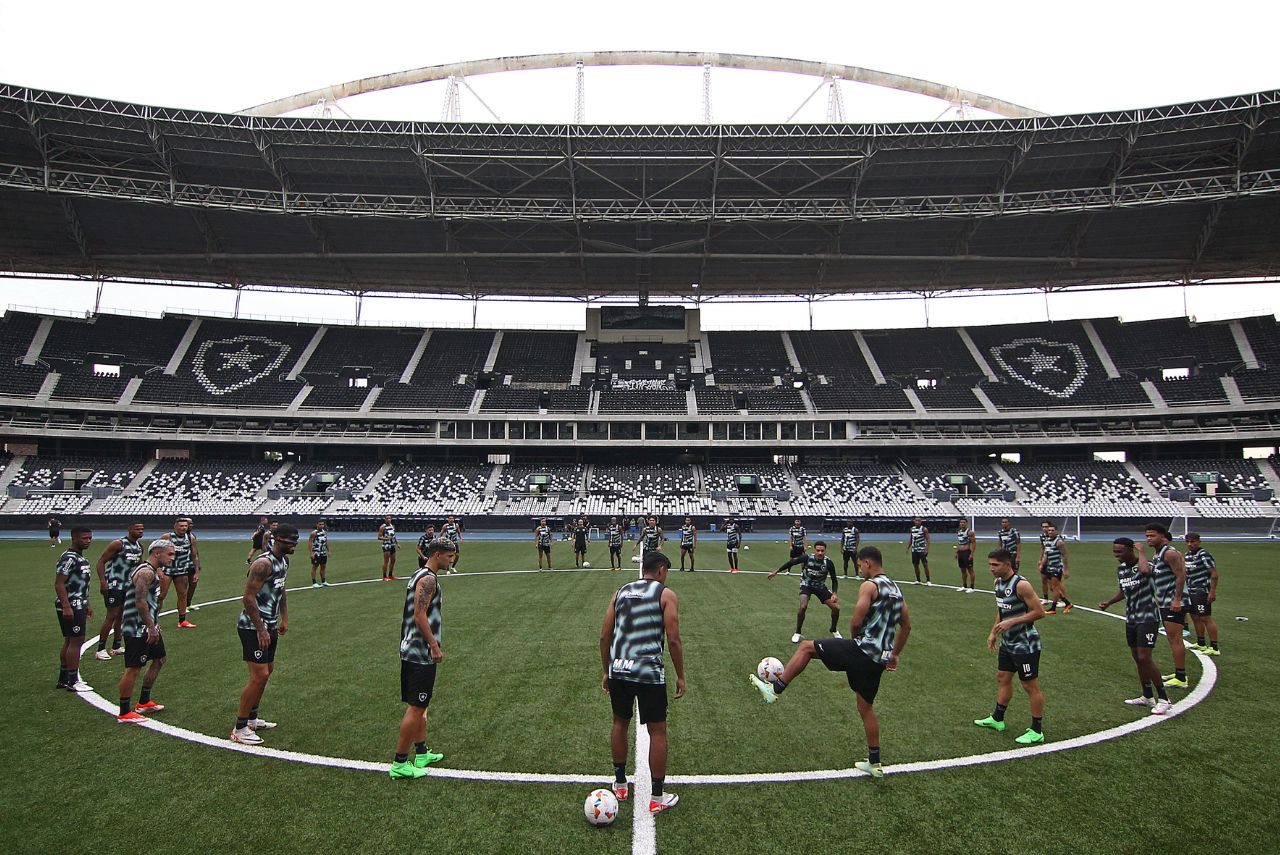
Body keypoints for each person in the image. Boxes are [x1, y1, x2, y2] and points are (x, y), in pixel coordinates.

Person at [750, 545, 911, 780]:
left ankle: (774, 690)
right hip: (879, 660)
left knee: (806, 647)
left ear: (868, 563)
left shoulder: (870, 586)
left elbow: (855, 621)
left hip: (863, 651)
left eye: (860, 565)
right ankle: (874, 762)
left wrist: (855, 639)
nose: (860, 570)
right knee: (865, 708)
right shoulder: (897, 590)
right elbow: (906, 626)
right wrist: (894, 655)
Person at [600, 551, 685, 814]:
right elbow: (673, 639)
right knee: (657, 732)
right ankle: (657, 797)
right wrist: (681, 675)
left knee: (619, 723)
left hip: (619, 670)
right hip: (648, 673)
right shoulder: (665, 594)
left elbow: (604, 636)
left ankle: (620, 784)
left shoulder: (620, 592)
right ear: (661, 570)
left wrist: (607, 670)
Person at [390, 538, 456, 780]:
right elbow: (420, 615)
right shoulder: (428, 579)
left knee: (421, 704)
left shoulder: (420, 574)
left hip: (412, 648)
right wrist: (434, 646)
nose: (452, 560)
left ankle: (421, 752)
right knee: (416, 706)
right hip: (419, 652)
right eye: (449, 556)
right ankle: (399, 763)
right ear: (437, 555)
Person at [230, 524, 298, 745]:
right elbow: (248, 598)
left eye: (296, 540)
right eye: (290, 541)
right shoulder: (263, 564)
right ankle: (239, 728)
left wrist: (284, 618)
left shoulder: (283, 561)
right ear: (277, 539)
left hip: (269, 625)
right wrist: (260, 629)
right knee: (259, 675)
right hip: (252, 627)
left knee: (268, 671)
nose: (294, 544)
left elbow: (281, 590)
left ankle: (252, 718)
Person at [973, 548, 1046, 744]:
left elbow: (1039, 612)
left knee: (1030, 685)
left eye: (995, 565)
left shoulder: (1021, 585)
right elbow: (1002, 610)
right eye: (990, 565)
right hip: (1008, 642)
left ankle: (1037, 730)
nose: (991, 568)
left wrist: (1013, 621)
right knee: (1002, 677)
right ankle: (997, 718)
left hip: (1025, 644)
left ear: (1007, 564)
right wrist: (993, 632)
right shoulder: (997, 583)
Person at [1098, 537, 1172, 715]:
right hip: (1131, 618)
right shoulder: (1122, 569)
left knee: (1145, 657)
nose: (1116, 555)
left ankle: (1164, 699)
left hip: (1148, 618)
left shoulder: (1144, 565)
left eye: (1120, 551)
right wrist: (1109, 602)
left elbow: (1145, 572)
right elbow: (1124, 591)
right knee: (1137, 658)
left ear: (1130, 550)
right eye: (1114, 551)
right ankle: (1147, 696)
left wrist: (1141, 551)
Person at [116, 540, 176, 723]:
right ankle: (124, 712)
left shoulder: (153, 571)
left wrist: (154, 623)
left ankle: (143, 701)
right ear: (157, 553)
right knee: (133, 668)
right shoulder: (145, 572)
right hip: (137, 627)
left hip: (149, 625)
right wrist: (150, 626)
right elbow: (140, 601)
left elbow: (152, 601)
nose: (172, 558)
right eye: (169, 554)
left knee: (159, 659)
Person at [1145, 523, 1190, 689]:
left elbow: (1181, 576)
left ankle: (1181, 677)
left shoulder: (1169, 553)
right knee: (1172, 638)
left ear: (1163, 536)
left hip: (1173, 602)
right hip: (1165, 601)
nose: (1149, 539)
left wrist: (1177, 599)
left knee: (1175, 638)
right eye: (1147, 536)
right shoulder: (1159, 553)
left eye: (1152, 535)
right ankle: (1178, 673)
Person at [770, 540, 841, 643]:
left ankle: (833, 629)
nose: (820, 553)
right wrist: (776, 571)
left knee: (836, 608)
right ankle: (797, 632)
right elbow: (792, 562)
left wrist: (834, 593)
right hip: (806, 584)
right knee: (803, 606)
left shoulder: (828, 562)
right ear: (814, 550)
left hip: (820, 586)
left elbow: (834, 580)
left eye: (822, 551)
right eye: (818, 550)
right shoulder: (807, 558)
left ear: (825, 551)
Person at [94, 521, 144, 660]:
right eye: (137, 529)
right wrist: (103, 581)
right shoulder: (118, 544)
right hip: (114, 584)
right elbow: (101, 561)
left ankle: (116, 646)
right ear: (129, 529)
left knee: (121, 616)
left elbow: (139, 564)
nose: (140, 531)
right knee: (111, 615)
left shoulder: (139, 546)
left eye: (142, 529)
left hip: (128, 586)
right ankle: (100, 649)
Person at [54, 525, 94, 692]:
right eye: (84, 538)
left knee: (70, 640)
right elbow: (59, 583)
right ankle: (73, 681)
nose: (88, 541)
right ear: (74, 538)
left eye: (90, 538)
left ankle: (64, 678)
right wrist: (66, 606)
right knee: (76, 641)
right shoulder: (69, 558)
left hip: (79, 603)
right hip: (72, 604)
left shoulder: (79, 558)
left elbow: (80, 585)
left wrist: (87, 603)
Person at [158, 517, 199, 628]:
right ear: (175, 526)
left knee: (182, 595)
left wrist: (196, 572)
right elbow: (156, 552)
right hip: (167, 570)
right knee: (161, 595)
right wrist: (158, 569)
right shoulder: (167, 537)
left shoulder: (190, 538)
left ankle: (182, 620)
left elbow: (194, 555)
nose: (184, 528)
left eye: (185, 526)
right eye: (181, 526)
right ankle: (153, 621)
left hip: (182, 571)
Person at [1183, 533, 1220, 656]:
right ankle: (1201, 642)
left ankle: (1214, 647)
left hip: (1201, 590)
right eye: (1188, 542)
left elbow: (1214, 573)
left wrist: (1212, 591)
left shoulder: (1203, 554)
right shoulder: (1187, 555)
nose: (1190, 544)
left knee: (1205, 617)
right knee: (1195, 616)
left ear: (1199, 541)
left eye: (1193, 541)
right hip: (1191, 590)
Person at [1039, 523, 1072, 614]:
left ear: (1056, 531)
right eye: (1049, 530)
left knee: (1055, 587)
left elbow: (1065, 555)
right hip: (1049, 566)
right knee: (1052, 587)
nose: (1050, 532)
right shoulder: (1047, 540)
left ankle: (1053, 608)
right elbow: (1046, 553)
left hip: (1056, 567)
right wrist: (1042, 564)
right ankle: (1067, 603)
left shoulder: (1059, 542)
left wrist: (1066, 569)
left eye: (1052, 530)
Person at [907, 517, 931, 585]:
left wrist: (926, 549)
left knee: (925, 564)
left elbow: (928, 539)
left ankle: (928, 580)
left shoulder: (924, 529)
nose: (917, 522)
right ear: (914, 521)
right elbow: (911, 539)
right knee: (915, 565)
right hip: (914, 549)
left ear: (921, 522)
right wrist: (908, 547)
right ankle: (918, 580)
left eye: (918, 521)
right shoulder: (912, 529)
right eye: (916, 521)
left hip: (922, 549)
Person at [955, 518, 977, 593]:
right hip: (960, 553)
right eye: (961, 522)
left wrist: (971, 554)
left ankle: (972, 587)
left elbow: (973, 543)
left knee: (970, 570)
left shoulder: (970, 532)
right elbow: (959, 542)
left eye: (964, 522)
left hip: (966, 552)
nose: (962, 524)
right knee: (962, 570)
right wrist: (956, 552)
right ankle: (964, 585)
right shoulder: (959, 532)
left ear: (966, 523)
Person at [308, 519, 331, 588]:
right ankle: (314, 582)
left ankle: (323, 581)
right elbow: (310, 543)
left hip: (323, 552)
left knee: (323, 566)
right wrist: (311, 553)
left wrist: (329, 550)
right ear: (317, 525)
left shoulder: (324, 532)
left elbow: (326, 542)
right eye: (320, 524)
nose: (321, 526)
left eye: (322, 524)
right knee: (315, 567)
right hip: (316, 552)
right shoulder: (314, 533)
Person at [1036, 521, 1053, 601]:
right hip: (1044, 561)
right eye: (1043, 527)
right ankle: (1045, 599)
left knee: (1054, 583)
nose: (1044, 528)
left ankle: (1061, 599)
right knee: (1044, 580)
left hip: (1053, 562)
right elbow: (1043, 548)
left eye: (1046, 527)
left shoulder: (1055, 537)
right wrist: (1040, 559)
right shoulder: (1042, 536)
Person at [378, 516, 398, 581]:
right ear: (385, 519)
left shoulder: (392, 526)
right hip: (386, 545)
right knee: (386, 561)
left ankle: (390, 575)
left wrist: (397, 543)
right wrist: (386, 538)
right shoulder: (382, 527)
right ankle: (384, 576)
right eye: (387, 518)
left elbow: (394, 536)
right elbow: (379, 537)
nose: (389, 520)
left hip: (392, 545)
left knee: (393, 560)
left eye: (390, 518)